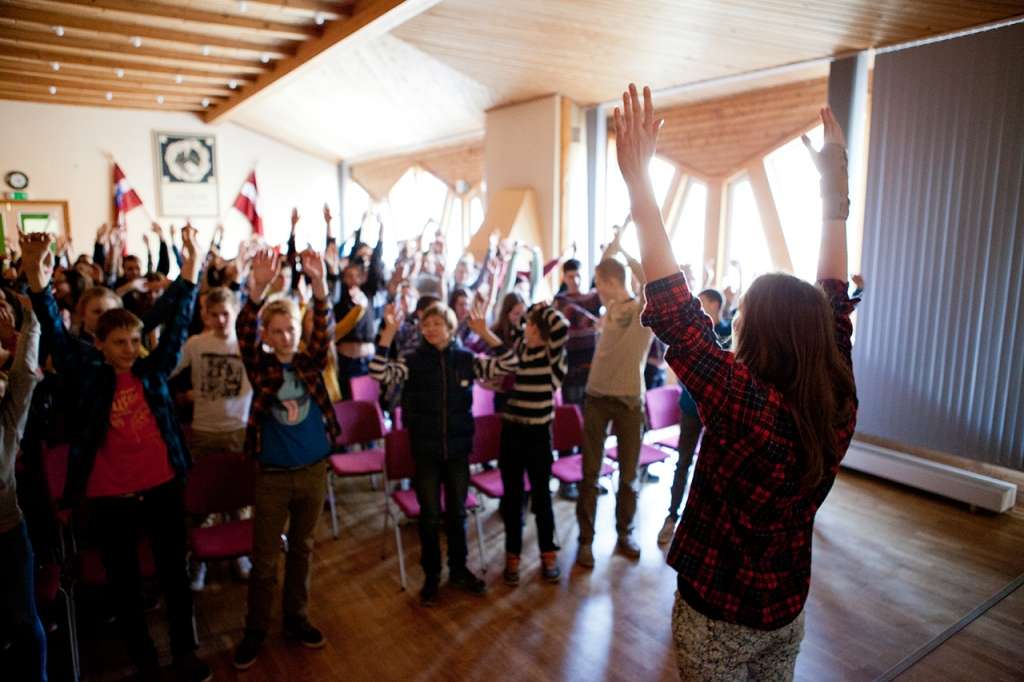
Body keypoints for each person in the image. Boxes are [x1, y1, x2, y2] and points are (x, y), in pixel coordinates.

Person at [615, 84, 858, 681]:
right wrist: (833, 192)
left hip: (720, 614)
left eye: (742, 313)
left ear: (764, 335)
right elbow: (835, 302)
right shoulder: (836, 400)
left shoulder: (749, 408)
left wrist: (640, 184)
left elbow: (676, 315)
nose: (735, 321)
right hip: (786, 609)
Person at [25, 228, 211, 682]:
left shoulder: (152, 371)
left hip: (163, 489)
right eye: (120, 344)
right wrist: (37, 280)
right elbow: (54, 329)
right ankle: (145, 660)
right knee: (125, 586)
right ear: (102, 346)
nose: (130, 350)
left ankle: (185, 653)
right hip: (110, 499)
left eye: (134, 341)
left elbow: (180, 319)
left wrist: (190, 269)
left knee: (174, 577)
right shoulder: (87, 376)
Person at [232, 248, 340, 670]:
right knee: (263, 560)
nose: (284, 336)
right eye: (275, 331)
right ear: (266, 335)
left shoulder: (310, 364)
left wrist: (318, 286)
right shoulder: (260, 367)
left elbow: (324, 332)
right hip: (274, 477)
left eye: (290, 328)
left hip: (313, 472)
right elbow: (243, 330)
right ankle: (255, 630)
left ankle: (296, 619)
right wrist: (256, 290)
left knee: (303, 550)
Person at [371, 300, 515, 605]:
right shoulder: (412, 360)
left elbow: (508, 363)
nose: (431, 329)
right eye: (426, 324)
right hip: (425, 451)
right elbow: (379, 374)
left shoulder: (465, 359)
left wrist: (485, 332)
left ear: (450, 327)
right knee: (430, 516)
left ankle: (459, 570)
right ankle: (432, 577)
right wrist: (388, 334)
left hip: (458, 450)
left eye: (437, 323)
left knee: (457, 514)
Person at [575, 223, 652, 568]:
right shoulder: (608, 311)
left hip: (629, 402)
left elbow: (650, 282)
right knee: (590, 475)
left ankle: (625, 533)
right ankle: (585, 542)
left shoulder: (641, 311)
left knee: (628, 474)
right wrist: (612, 249)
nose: (597, 291)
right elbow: (605, 267)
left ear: (609, 283)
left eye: (600, 283)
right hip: (596, 397)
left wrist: (624, 251)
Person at [172, 287, 254, 590]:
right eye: (214, 314)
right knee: (202, 501)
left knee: (239, 500)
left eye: (226, 314)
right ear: (205, 315)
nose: (221, 320)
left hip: (239, 429)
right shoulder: (196, 344)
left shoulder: (247, 344)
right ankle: (199, 562)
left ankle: (240, 556)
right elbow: (169, 368)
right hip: (205, 431)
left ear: (235, 312)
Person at [496, 303, 568, 586]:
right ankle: (512, 555)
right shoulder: (518, 349)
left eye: (531, 324)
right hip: (512, 431)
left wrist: (541, 308)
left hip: (539, 434)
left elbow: (561, 327)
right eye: (526, 324)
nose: (526, 327)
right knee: (513, 498)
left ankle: (547, 554)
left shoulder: (554, 356)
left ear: (541, 330)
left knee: (542, 497)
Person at [0, 291, 45, 682]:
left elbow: (26, 375)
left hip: (6, 531)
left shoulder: (6, 417)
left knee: (23, 621)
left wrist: (28, 317)